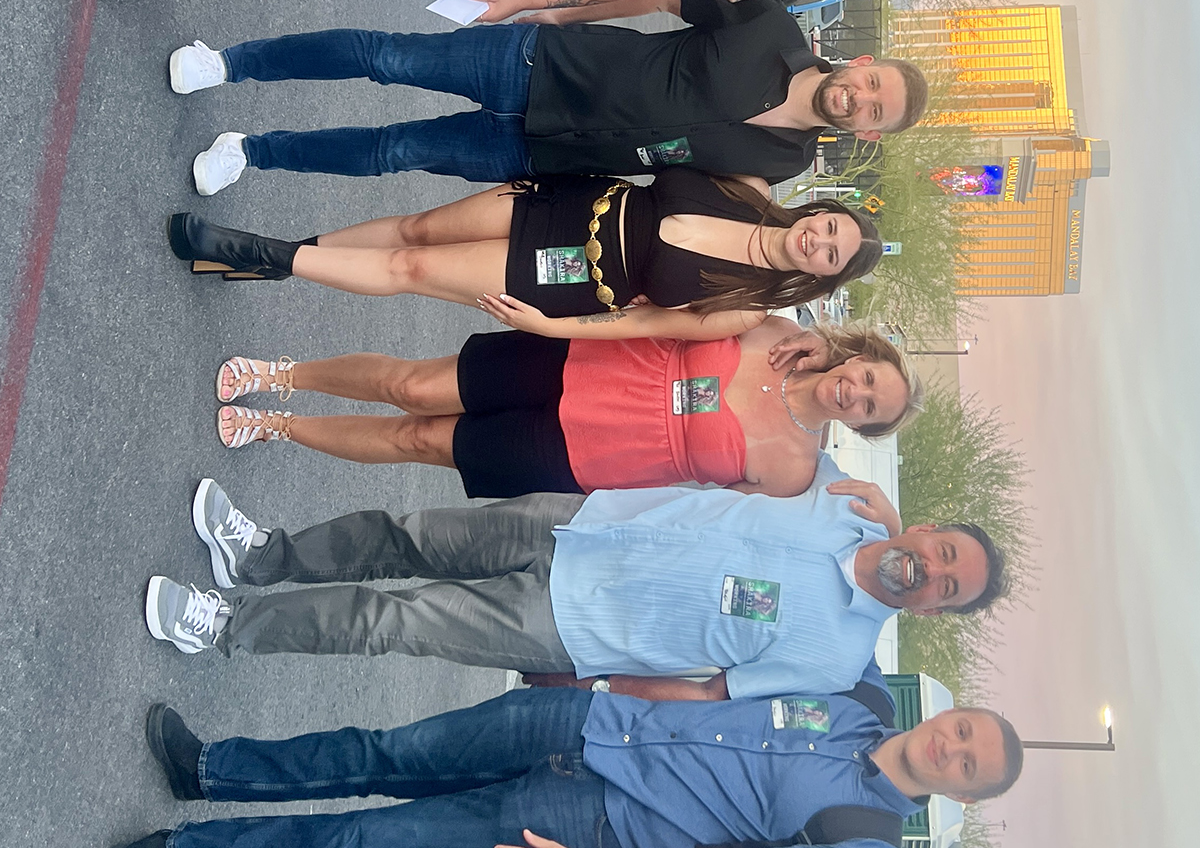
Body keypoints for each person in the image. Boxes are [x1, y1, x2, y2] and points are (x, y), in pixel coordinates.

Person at [97, 686, 1022, 848]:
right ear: (954, 714)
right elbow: (721, 680)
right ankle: (210, 771)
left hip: (585, 832)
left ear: (960, 793)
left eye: (968, 765)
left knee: (372, 843)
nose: (953, 746)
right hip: (583, 721)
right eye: (966, 729)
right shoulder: (857, 695)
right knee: (383, 751)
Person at [144, 472, 1008, 700]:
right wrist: (889, 518)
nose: (930, 572)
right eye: (943, 553)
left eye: (947, 588)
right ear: (927, 529)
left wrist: (606, 689)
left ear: (937, 612)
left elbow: (712, 692)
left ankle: (225, 627)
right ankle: (261, 560)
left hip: (570, 625)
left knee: (392, 619)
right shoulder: (847, 501)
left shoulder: (838, 659)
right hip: (582, 525)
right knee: (405, 534)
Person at [163, 0, 926, 194]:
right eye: (872, 84)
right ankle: (228, 63)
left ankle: (251, 152)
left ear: (867, 133)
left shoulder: (786, 163)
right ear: (861, 63)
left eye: (875, 112)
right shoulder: (771, 26)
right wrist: (556, 7)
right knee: (387, 57)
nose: (860, 98)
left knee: (394, 152)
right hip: (542, 63)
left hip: (544, 154)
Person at [210, 322, 922, 508]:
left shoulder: (794, 472)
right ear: (859, 358)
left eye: (869, 408)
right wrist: (816, 334)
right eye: (867, 378)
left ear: (861, 428)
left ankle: (279, 427)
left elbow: (707, 515)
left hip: (583, 456)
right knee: (414, 386)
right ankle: (283, 375)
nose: (854, 393)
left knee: (420, 440)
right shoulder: (778, 334)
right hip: (579, 363)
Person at [165, 168, 882, 343]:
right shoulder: (750, 189)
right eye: (830, 228)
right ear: (821, 211)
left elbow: (640, 325)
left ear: (820, 277)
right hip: (571, 202)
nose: (818, 241)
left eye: (830, 256)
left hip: (571, 278)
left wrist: (548, 327)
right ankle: (275, 259)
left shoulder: (745, 308)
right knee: (418, 230)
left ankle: (256, 251)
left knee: (411, 270)